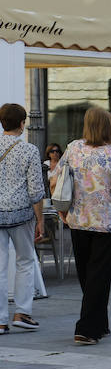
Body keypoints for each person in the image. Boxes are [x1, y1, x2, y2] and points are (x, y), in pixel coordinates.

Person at [50, 107, 111, 344]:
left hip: (77, 219)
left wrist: (61, 210)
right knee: (98, 274)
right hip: (105, 222)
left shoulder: (73, 148)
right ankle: (86, 328)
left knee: (87, 274)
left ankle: (99, 323)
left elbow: (56, 179)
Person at [0, 103, 44, 335]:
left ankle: (0, 320)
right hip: (21, 213)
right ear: (22, 123)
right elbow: (36, 190)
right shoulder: (29, 150)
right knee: (25, 261)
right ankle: (22, 313)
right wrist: (40, 220)